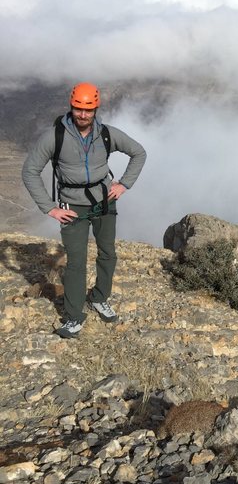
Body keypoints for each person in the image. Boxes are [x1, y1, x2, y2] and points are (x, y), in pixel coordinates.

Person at [22, 82, 147, 338]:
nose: (82, 115)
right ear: (71, 106)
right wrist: (50, 208)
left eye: (88, 110)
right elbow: (30, 171)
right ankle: (74, 317)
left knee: (108, 254)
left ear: (96, 109)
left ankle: (100, 297)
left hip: (104, 202)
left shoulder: (106, 134)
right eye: (78, 109)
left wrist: (124, 184)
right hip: (72, 207)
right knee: (77, 263)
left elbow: (138, 152)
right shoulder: (55, 136)